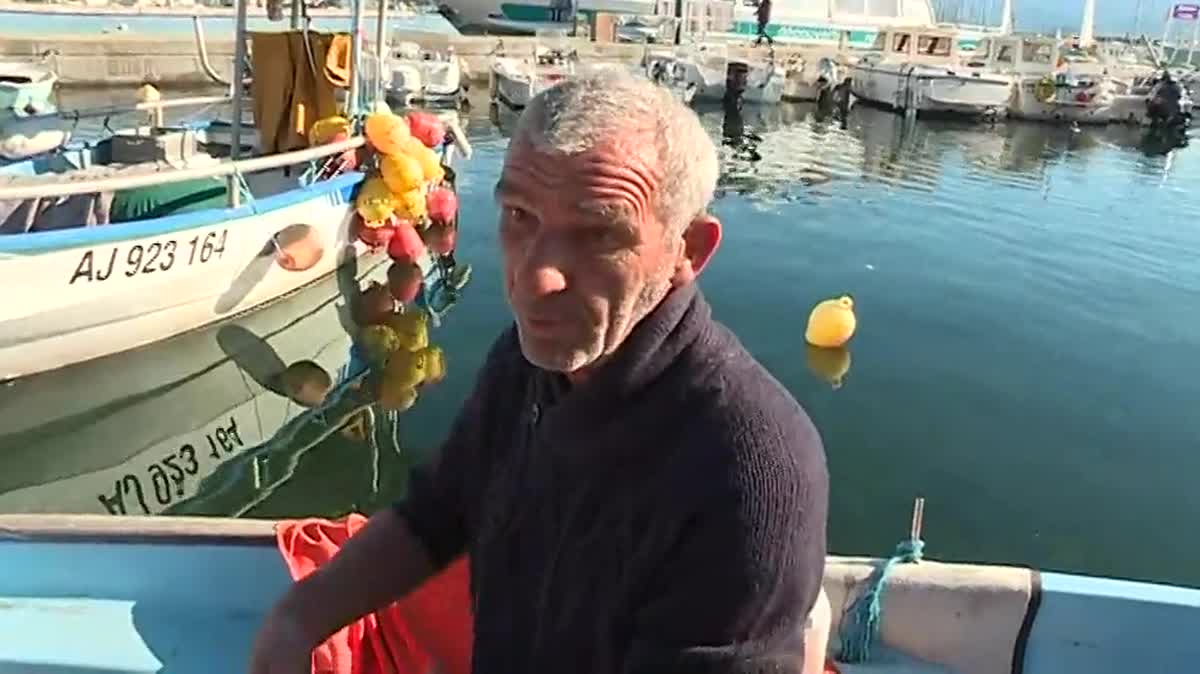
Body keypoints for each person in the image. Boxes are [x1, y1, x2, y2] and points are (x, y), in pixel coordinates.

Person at [249, 69, 830, 674]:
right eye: (520, 216)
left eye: (599, 233)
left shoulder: (751, 472)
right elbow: (438, 514)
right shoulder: (525, 366)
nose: (535, 278)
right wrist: (299, 619)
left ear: (690, 251)